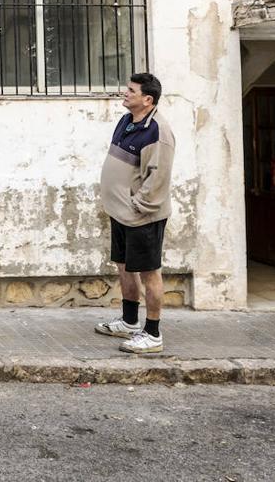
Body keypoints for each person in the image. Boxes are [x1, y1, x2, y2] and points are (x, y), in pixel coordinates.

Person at [94, 73, 176, 354]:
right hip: (120, 214)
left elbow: (158, 179)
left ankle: (152, 334)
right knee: (124, 266)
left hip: (142, 217)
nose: (124, 93)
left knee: (149, 273)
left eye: (131, 90)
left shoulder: (158, 132)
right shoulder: (127, 121)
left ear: (147, 99)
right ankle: (129, 322)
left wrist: (138, 206)